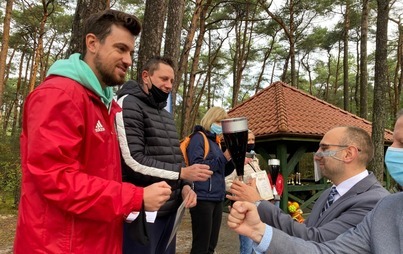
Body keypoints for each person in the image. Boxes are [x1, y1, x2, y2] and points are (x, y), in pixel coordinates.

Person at [14, 10, 172, 254]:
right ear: (92, 43)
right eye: (120, 49)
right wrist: (134, 197)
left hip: (95, 239)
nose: (128, 60)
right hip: (59, 245)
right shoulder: (59, 95)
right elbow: (57, 180)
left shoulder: (103, 101)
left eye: (130, 51)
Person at [227, 113, 403, 254]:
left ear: (348, 154)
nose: (316, 155)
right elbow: (311, 237)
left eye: (324, 149)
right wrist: (257, 230)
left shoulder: (376, 201)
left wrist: (259, 204)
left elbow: (317, 239)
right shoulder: (329, 193)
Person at [115, 56, 212, 254]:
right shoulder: (129, 104)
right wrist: (182, 174)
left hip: (170, 212)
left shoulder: (166, 115)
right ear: (146, 76)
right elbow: (133, 159)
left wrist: (185, 188)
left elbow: (175, 157)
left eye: (172, 81)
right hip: (142, 214)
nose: (169, 86)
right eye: (164, 79)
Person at [186, 106, 234, 254]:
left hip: (217, 197)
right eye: (220, 122)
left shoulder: (217, 143)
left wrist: (232, 160)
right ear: (211, 120)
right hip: (202, 198)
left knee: (211, 246)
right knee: (201, 246)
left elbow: (221, 171)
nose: (222, 126)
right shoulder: (198, 138)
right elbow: (198, 167)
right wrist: (223, 157)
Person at [225, 129, 272, 254]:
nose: (251, 142)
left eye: (253, 140)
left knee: (257, 243)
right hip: (244, 206)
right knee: (246, 245)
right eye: (248, 140)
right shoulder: (235, 160)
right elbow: (226, 182)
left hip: (257, 205)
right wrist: (241, 190)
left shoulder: (255, 159)